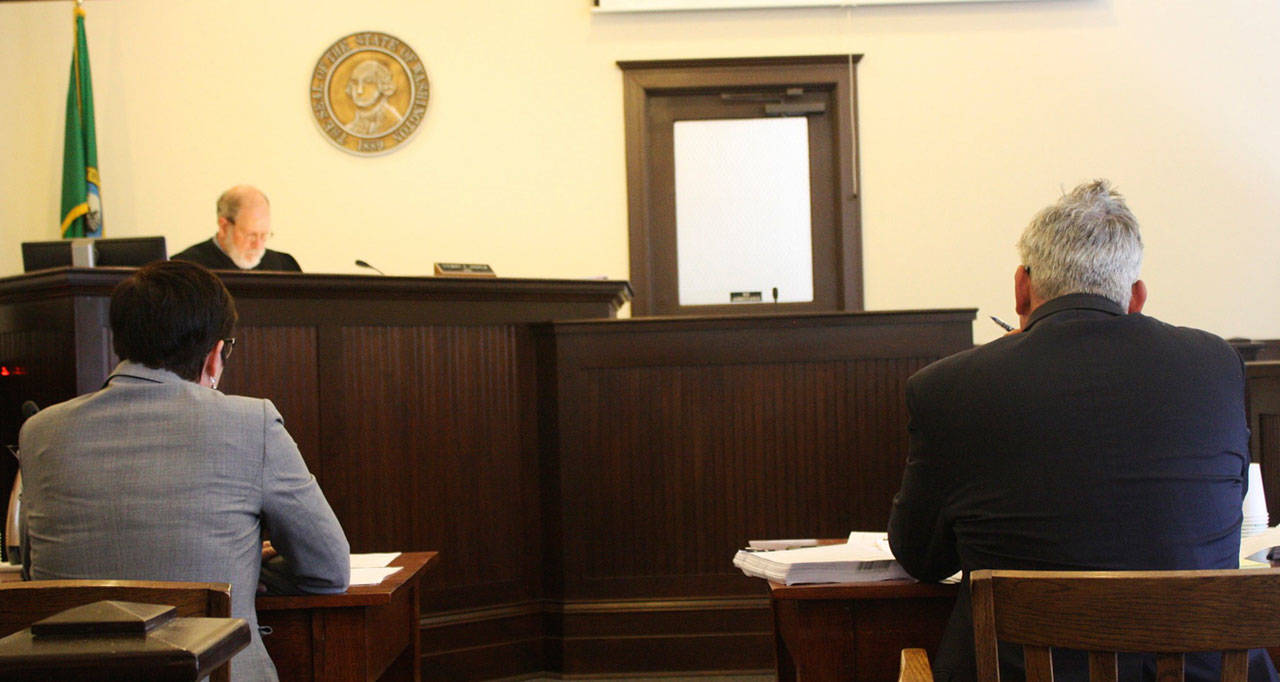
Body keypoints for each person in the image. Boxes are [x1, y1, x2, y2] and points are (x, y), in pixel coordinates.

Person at [887, 180, 1277, 682]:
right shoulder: (1215, 366)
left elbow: (921, 556)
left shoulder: (948, 386)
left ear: (1022, 287)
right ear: (1136, 296)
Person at [18, 260, 349, 682]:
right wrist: (245, 570)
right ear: (215, 355)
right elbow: (328, 570)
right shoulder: (253, 423)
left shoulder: (40, 431)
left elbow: (34, 574)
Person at [172, 185, 302, 271]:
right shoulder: (186, 268)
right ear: (223, 227)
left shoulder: (283, 267)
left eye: (264, 236)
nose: (257, 245)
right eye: (251, 235)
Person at [343, 59, 403, 136]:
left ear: (383, 85)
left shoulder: (394, 123)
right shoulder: (350, 128)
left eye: (368, 82)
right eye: (355, 83)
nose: (359, 91)